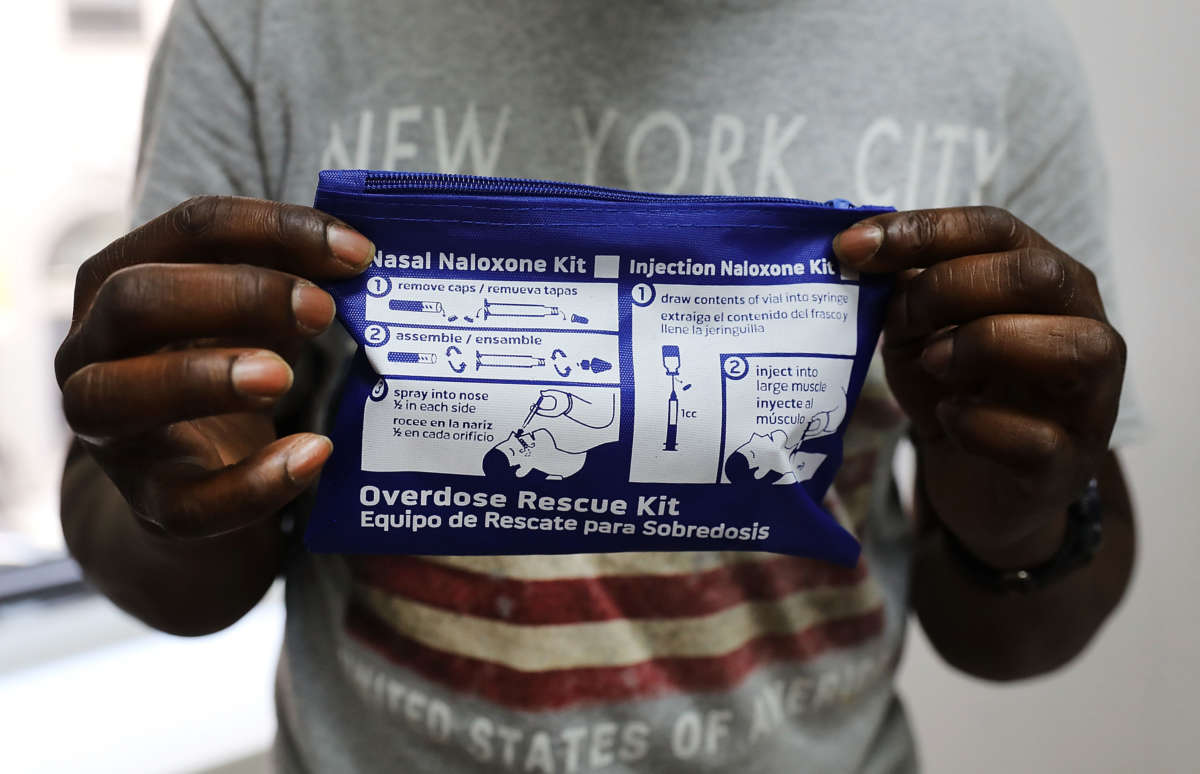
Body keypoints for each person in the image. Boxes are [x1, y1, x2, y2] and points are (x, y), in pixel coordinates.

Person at [54, 1, 1140, 771]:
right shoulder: (266, 22)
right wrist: (160, 477)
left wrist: (1021, 517)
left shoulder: (995, 48)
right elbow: (168, 529)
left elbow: (1020, 626)